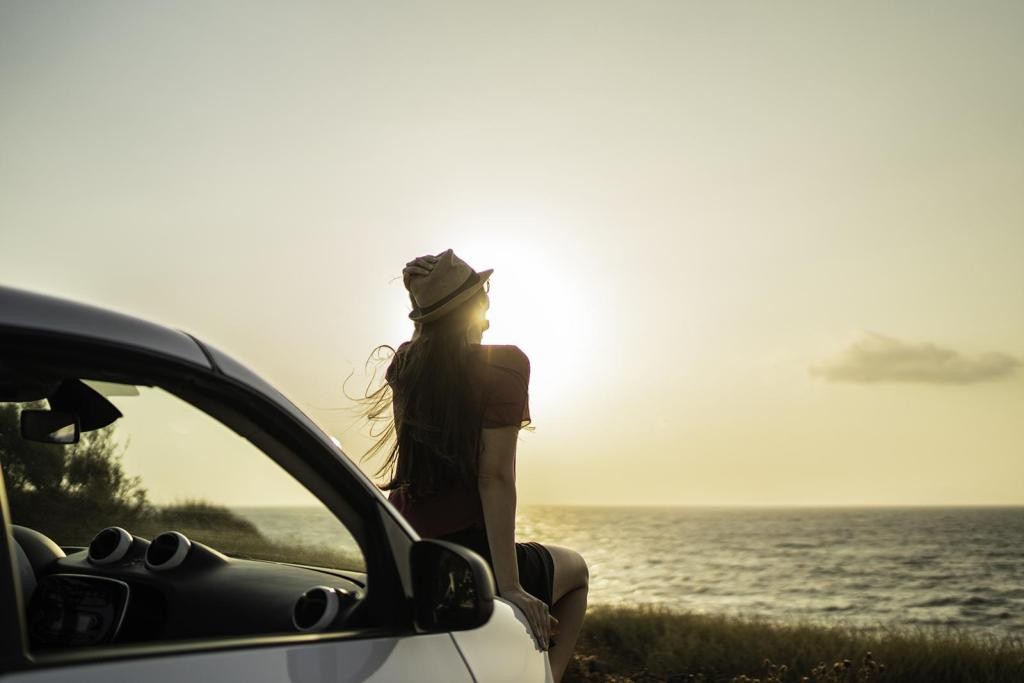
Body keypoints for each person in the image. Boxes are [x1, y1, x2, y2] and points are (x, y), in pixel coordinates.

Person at [361, 249, 589, 682]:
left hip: (410, 550)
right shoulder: (504, 366)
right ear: (475, 305)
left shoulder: (406, 364)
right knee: (576, 572)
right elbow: (495, 477)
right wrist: (510, 587)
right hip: (470, 558)